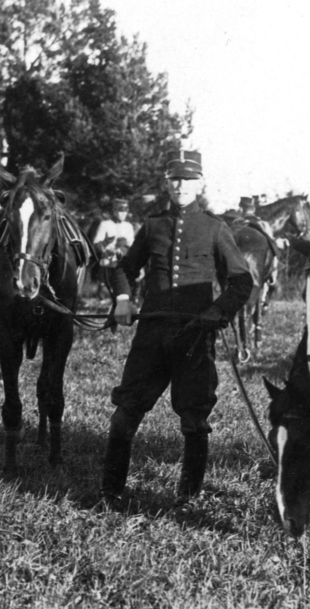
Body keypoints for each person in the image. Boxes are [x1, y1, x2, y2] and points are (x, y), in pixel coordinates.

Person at [99, 150, 254, 509]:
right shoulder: (153, 226)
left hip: (194, 337)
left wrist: (217, 311)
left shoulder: (215, 228)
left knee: (194, 419)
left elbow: (241, 282)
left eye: (188, 179)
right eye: (175, 179)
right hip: (151, 336)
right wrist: (123, 298)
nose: (181, 185)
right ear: (167, 183)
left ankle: (188, 497)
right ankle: (110, 492)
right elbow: (124, 268)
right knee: (125, 413)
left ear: (200, 184)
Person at [92, 198, 138, 299]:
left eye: (126, 211)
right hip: (107, 263)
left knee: (122, 292)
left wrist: (123, 249)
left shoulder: (128, 226)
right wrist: (105, 248)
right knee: (105, 292)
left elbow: (132, 245)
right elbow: (96, 242)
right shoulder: (105, 224)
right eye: (121, 211)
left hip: (121, 263)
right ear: (114, 211)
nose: (124, 214)